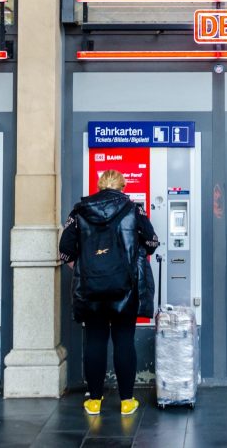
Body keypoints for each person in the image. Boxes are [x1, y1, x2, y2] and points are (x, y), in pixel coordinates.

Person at [59, 169, 159, 416]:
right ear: (122, 186)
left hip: (91, 289)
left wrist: (84, 268)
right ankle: (126, 402)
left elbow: (64, 250)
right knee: (124, 341)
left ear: (100, 185)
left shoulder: (79, 211)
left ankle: (94, 401)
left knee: (95, 341)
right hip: (125, 289)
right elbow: (152, 242)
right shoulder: (134, 210)